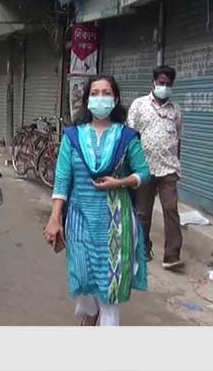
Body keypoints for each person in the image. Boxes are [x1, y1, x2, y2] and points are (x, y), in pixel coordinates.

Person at [43, 75, 150, 326]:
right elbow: (62, 181)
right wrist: (54, 218)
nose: (100, 98)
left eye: (106, 93)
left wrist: (120, 183)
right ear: (87, 99)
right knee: (83, 277)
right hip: (79, 220)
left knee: (110, 286)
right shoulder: (72, 136)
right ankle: (91, 315)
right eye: (95, 93)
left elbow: (143, 173)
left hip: (116, 223)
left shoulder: (127, 136)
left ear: (115, 99)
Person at [127, 65, 184, 269]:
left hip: (168, 168)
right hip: (144, 168)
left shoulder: (176, 110)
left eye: (168, 84)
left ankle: (172, 256)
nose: (164, 87)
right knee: (143, 212)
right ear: (154, 82)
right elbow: (130, 136)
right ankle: (142, 249)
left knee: (171, 209)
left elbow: (178, 137)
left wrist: (177, 163)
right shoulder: (139, 105)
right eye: (161, 83)